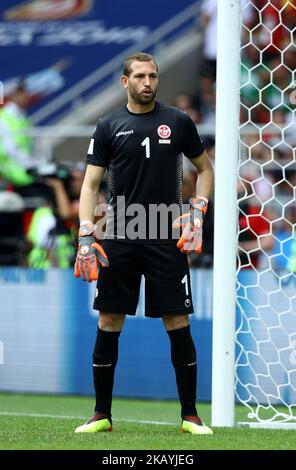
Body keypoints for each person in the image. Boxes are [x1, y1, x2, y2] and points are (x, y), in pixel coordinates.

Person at [74, 52, 214, 435]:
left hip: (167, 236)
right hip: (119, 234)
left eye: (152, 75)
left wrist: (198, 209)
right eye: (139, 76)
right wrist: (87, 232)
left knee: (178, 320)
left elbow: (205, 169)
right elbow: (89, 185)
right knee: (109, 319)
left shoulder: (178, 120)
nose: (148, 82)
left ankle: (190, 416)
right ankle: (101, 415)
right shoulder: (107, 125)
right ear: (125, 82)